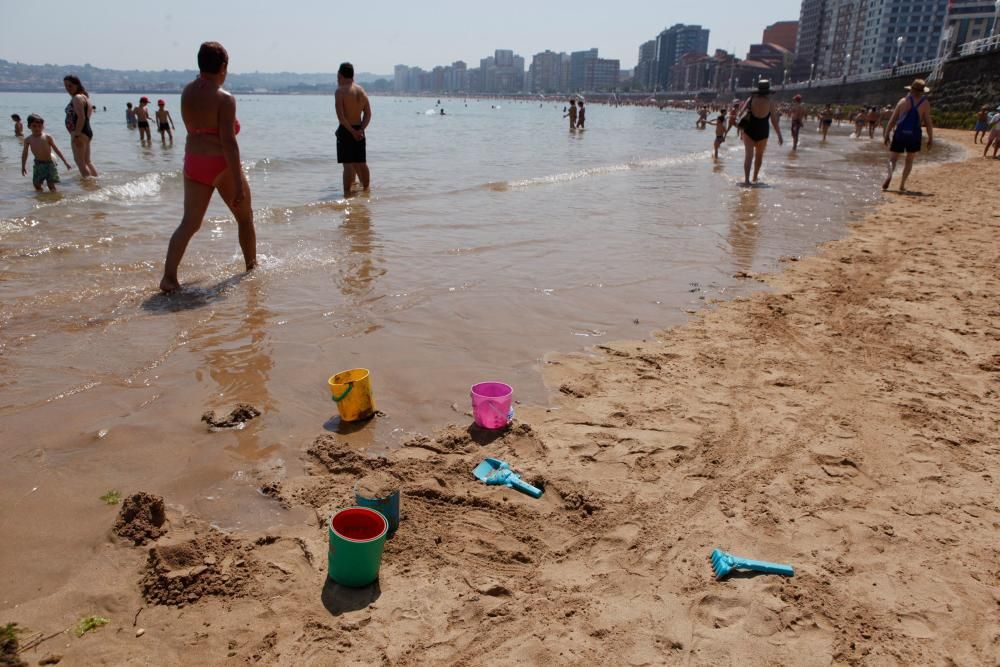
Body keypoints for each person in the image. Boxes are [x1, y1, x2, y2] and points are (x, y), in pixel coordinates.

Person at [160, 41, 256, 292]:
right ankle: (251, 269)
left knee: (189, 223)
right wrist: (238, 183)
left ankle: (169, 277)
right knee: (245, 217)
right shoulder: (225, 98)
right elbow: (228, 142)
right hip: (220, 164)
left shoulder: (187, 92)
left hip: (193, 163)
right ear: (223, 66)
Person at [882, 79, 933, 192]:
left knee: (893, 159)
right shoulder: (925, 103)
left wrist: (886, 134)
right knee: (909, 160)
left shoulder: (902, 101)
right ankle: (902, 184)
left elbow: (892, 120)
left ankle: (889, 176)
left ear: (911, 89)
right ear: (922, 91)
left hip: (900, 132)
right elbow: (928, 122)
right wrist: (930, 138)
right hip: (914, 134)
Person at [334, 62, 372, 199]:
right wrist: (361, 129)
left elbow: (341, 118)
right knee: (362, 163)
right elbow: (368, 114)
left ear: (340, 75)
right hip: (359, 131)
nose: (337, 79)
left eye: (338, 76)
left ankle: (347, 195)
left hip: (347, 130)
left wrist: (351, 131)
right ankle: (367, 190)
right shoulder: (361, 91)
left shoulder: (340, 91)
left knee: (348, 165)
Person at [736, 79, 783, 186]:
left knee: (748, 156)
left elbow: (740, 114)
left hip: (749, 130)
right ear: (767, 90)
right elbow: (774, 121)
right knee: (759, 155)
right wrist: (779, 135)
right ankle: (755, 178)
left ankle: (747, 180)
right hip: (763, 131)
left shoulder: (751, 99)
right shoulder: (770, 102)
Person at [20, 114, 72, 191]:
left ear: (43, 127)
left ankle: (54, 199)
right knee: (36, 184)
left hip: (50, 163)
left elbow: (57, 150)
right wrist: (23, 166)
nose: (37, 128)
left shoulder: (47, 137)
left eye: (39, 126)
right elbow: (25, 153)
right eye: (34, 126)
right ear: (29, 126)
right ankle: (41, 199)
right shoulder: (28, 139)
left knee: (51, 184)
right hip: (38, 164)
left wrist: (65, 162)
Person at [63, 75, 98, 177]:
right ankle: (95, 183)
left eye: (70, 86)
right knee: (87, 161)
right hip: (87, 131)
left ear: (77, 85)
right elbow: (87, 116)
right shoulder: (85, 97)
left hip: (79, 132)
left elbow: (81, 117)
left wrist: (77, 135)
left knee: (80, 162)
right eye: (66, 86)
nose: (68, 89)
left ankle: (89, 186)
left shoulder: (77, 98)